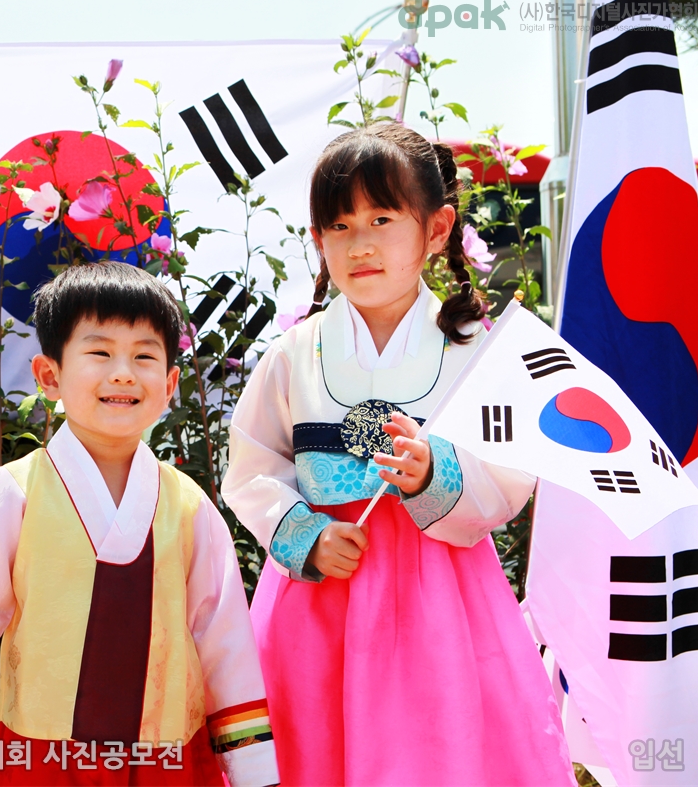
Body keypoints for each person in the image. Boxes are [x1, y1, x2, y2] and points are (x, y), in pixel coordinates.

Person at [0, 261, 279, 786]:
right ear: (49, 376)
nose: (123, 373)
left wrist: (252, 769)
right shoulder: (14, 495)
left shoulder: (190, 508)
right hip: (44, 763)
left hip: (168, 762)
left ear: (170, 383)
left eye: (144, 356)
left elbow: (224, 642)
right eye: (100, 353)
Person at [222, 123, 575, 786]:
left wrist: (433, 473)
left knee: (438, 752)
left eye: (381, 219)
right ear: (319, 239)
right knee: (313, 753)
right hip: (322, 592)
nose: (360, 244)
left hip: (441, 602)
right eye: (340, 225)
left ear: (436, 229)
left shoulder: (473, 353)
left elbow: (509, 478)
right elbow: (251, 467)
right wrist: (304, 534)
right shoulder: (294, 354)